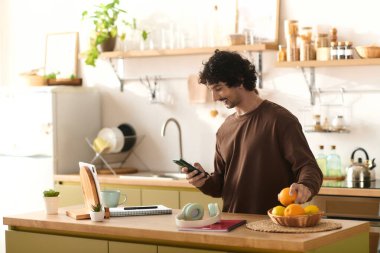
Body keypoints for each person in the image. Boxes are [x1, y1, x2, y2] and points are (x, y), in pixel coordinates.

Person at [182, 50, 323, 214]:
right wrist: (202, 181)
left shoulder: (280, 120)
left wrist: (305, 185)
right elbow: (220, 186)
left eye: (218, 88)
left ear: (239, 81)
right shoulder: (224, 129)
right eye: (211, 90)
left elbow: (309, 167)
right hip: (232, 226)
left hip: (273, 225)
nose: (214, 97)